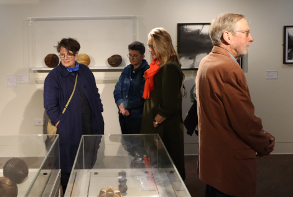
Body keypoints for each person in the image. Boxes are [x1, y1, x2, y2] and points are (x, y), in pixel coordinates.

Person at [196, 13, 275, 197]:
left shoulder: (207, 62)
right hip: (230, 165)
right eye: (246, 32)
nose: (251, 38)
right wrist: (263, 143)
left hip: (214, 163)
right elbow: (244, 121)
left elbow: (223, 116)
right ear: (227, 36)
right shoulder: (227, 68)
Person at [43, 38, 104, 192]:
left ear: (76, 54)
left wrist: (99, 112)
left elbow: (95, 94)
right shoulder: (53, 77)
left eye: (69, 55)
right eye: (62, 55)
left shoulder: (85, 71)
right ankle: (69, 192)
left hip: (90, 125)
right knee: (67, 166)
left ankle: (85, 190)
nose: (65, 58)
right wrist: (60, 124)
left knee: (88, 161)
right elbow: (50, 106)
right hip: (68, 130)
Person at [140, 28, 186, 180]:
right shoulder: (158, 65)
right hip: (157, 127)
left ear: (162, 45)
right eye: (149, 45)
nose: (150, 49)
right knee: (157, 170)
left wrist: (154, 123)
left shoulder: (169, 67)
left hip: (163, 129)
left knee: (166, 172)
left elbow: (169, 105)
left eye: (152, 46)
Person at [113, 41, 149, 134]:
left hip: (138, 116)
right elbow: (117, 89)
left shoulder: (147, 71)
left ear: (142, 56)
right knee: (127, 145)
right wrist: (121, 105)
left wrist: (125, 106)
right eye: (130, 55)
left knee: (139, 146)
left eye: (135, 55)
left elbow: (143, 95)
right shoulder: (126, 69)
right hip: (123, 115)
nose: (131, 58)